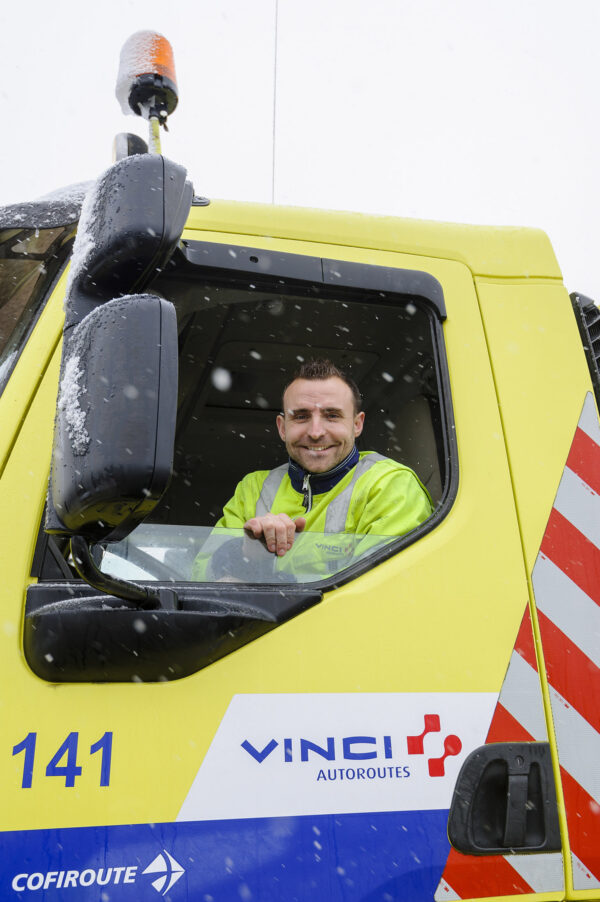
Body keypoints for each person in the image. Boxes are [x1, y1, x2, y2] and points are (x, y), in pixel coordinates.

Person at [192, 359, 432, 581]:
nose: (316, 432)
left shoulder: (390, 484)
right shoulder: (253, 488)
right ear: (282, 427)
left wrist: (272, 581)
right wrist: (245, 553)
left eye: (332, 415)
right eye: (301, 416)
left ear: (357, 424)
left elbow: (379, 590)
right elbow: (200, 577)